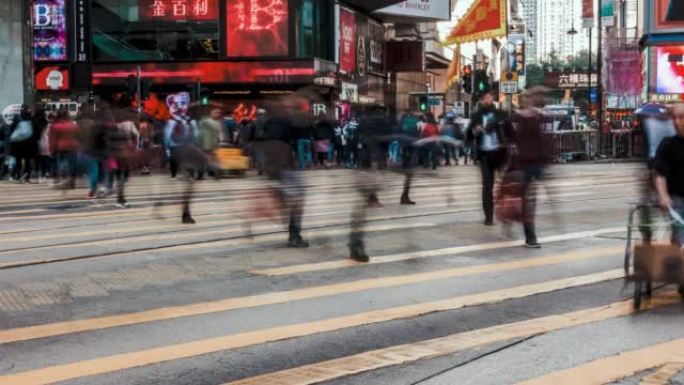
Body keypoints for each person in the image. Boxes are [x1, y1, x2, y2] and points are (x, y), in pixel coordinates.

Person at [507, 86, 554, 248]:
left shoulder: (541, 117)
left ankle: (529, 233)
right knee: (527, 200)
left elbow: (546, 140)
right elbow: (511, 141)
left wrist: (548, 162)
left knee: (530, 200)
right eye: (531, 96)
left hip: (537, 163)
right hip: (523, 164)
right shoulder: (517, 117)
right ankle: (530, 235)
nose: (534, 99)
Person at [466, 92, 510, 226]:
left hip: (499, 153)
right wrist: (475, 131)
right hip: (484, 155)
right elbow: (468, 135)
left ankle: (506, 214)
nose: (487, 100)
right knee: (487, 187)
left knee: (505, 186)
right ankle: (488, 216)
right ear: (480, 100)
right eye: (484, 98)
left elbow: (509, 130)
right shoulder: (476, 116)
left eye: (490, 97)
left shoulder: (501, 114)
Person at [654, 104, 684, 247]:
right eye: (674, 118)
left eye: (681, 117)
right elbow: (660, 173)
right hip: (677, 199)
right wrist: (663, 195)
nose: (677, 122)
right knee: (679, 237)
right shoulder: (668, 144)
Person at [48, 109, 80, 189]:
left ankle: (65, 181)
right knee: (72, 165)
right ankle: (72, 182)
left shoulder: (54, 126)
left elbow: (52, 140)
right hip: (73, 147)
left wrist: (51, 150)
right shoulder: (73, 125)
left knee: (62, 164)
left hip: (61, 148)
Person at [9, 105, 37, 183]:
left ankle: (19, 176)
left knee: (18, 160)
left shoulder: (17, 118)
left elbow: (12, 129)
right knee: (27, 160)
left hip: (17, 144)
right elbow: (35, 131)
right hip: (28, 144)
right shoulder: (31, 119)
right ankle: (27, 176)